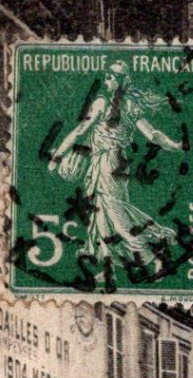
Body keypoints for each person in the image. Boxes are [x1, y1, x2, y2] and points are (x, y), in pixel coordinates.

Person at [45, 61, 184, 276]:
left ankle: (154, 257)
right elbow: (153, 135)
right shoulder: (129, 106)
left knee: (115, 214)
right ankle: (102, 255)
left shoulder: (105, 103)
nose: (107, 79)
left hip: (108, 163)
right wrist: (174, 145)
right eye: (107, 76)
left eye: (111, 76)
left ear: (120, 82)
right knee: (103, 211)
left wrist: (58, 156)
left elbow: (79, 132)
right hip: (117, 163)